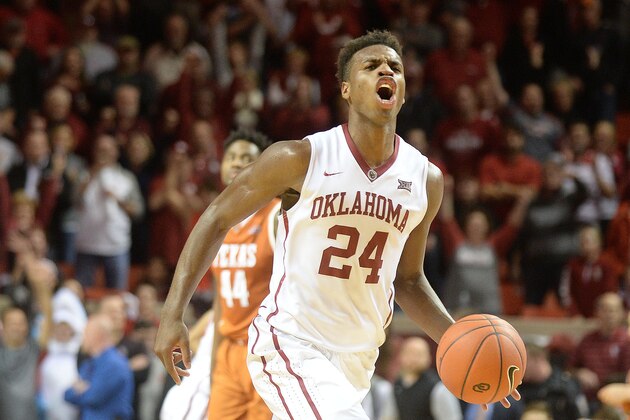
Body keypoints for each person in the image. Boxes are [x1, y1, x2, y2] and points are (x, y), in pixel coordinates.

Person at [154, 30, 520, 418]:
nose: (386, 71)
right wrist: (172, 313)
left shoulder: (425, 180)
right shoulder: (300, 157)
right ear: (346, 89)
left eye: (394, 67)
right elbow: (215, 218)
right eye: (372, 65)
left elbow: (408, 278)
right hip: (290, 342)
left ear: (403, 90)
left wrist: (461, 344)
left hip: (358, 358)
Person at [207, 129, 279, 419]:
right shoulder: (217, 222)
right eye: (232, 157)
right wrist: (213, 362)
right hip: (229, 352)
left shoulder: (276, 216)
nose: (237, 163)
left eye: (247, 158)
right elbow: (219, 302)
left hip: (266, 351)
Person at [64, 313, 134, 420]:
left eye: (86, 333)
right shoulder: (90, 362)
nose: (83, 338)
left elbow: (93, 397)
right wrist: (83, 389)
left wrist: (82, 388)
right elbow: (67, 394)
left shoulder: (114, 364)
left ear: (98, 335)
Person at [394, 336, 462, 420]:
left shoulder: (438, 388)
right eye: (409, 353)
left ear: (428, 358)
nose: (413, 358)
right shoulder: (397, 385)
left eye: (418, 354)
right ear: (401, 356)